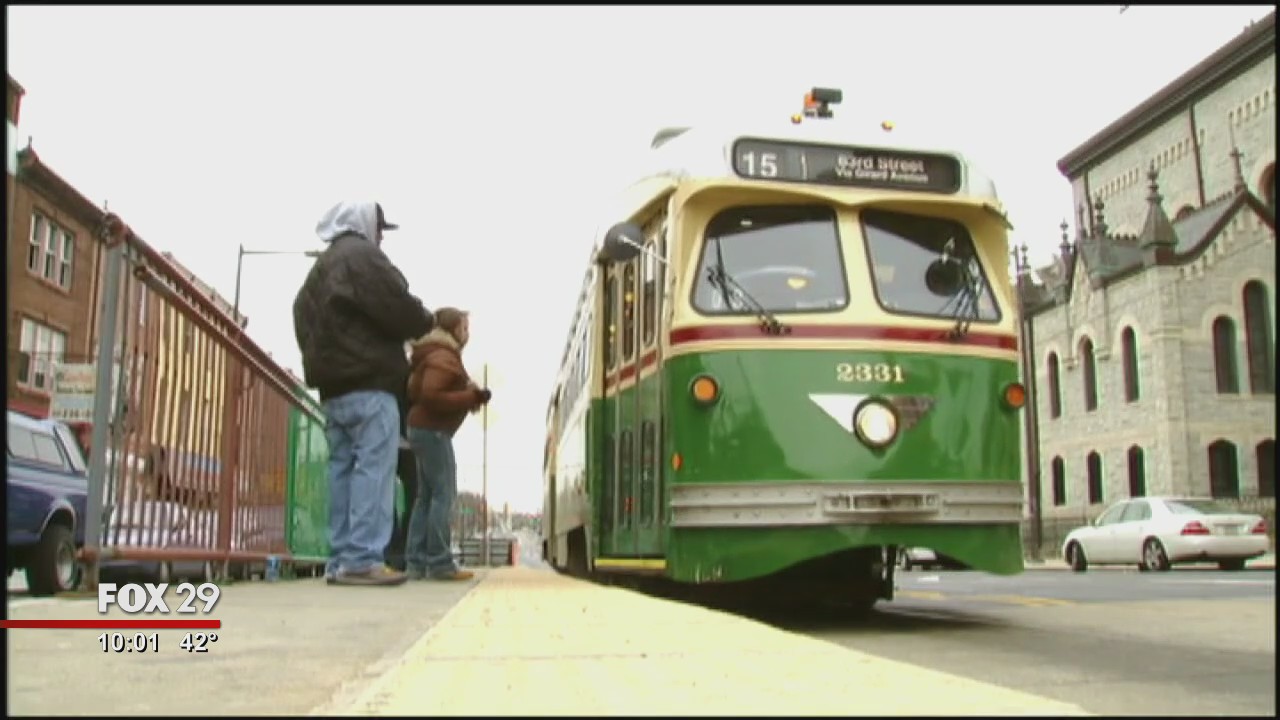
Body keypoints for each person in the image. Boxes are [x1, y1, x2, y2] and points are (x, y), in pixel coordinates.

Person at [292, 201, 434, 587]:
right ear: (363, 223)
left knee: (341, 469)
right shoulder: (363, 258)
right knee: (374, 468)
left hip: (333, 390)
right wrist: (426, 321)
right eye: (380, 227)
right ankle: (362, 559)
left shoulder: (319, 271)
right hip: (371, 384)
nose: (382, 235)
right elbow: (398, 305)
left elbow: (300, 317)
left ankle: (340, 558)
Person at [404, 307, 490, 581]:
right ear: (453, 329)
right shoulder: (443, 355)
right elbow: (432, 394)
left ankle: (416, 563)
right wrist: (469, 397)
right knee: (444, 494)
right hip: (433, 431)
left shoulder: (434, 353)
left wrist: (471, 396)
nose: (468, 334)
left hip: (421, 429)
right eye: (465, 328)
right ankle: (439, 562)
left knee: (425, 497)